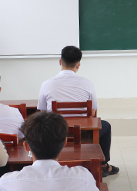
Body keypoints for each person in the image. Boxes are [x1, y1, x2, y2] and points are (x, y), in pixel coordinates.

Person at [37, 46, 119, 177]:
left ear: (60, 62)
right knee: (106, 126)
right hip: (82, 131)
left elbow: (42, 112)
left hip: (56, 133)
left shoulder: (46, 84)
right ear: (78, 65)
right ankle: (102, 165)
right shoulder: (87, 83)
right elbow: (92, 112)